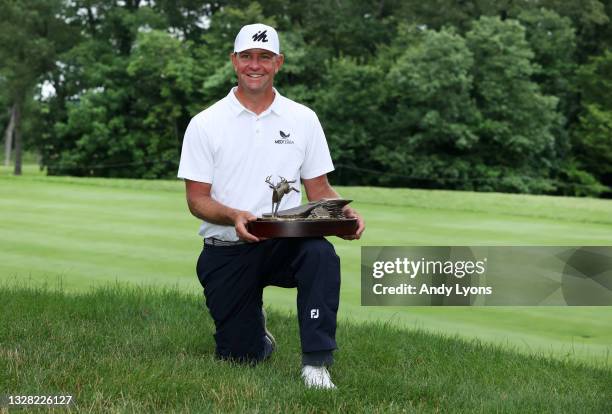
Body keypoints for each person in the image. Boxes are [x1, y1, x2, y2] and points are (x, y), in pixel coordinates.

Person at [177, 23, 365, 389]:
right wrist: (234, 216)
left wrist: (342, 213)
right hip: (228, 246)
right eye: (247, 56)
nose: (255, 65)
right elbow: (197, 200)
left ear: (278, 62)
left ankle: (316, 363)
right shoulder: (205, 123)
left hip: (284, 241)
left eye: (264, 57)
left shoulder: (303, 119)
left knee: (320, 255)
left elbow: (320, 188)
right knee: (239, 357)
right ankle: (256, 334)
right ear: (234, 61)